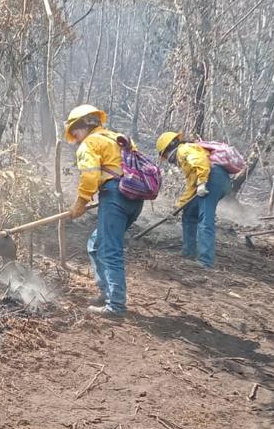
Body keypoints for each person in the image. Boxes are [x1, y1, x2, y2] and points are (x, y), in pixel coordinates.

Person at [65, 104, 143, 316]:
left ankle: (115, 305)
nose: (76, 138)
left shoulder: (89, 143)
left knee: (109, 251)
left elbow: (90, 177)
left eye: (75, 132)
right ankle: (107, 292)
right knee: (96, 244)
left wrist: (80, 203)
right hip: (134, 199)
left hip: (115, 196)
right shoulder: (118, 138)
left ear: (81, 127)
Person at [155, 132, 232, 270]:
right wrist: (178, 207)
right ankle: (188, 253)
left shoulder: (183, 149)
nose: (167, 159)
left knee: (205, 219)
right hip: (216, 179)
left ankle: (205, 262)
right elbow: (191, 186)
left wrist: (202, 182)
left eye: (164, 155)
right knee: (189, 213)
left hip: (212, 178)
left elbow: (200, 161)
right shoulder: (185, 157)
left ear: (168, 148)